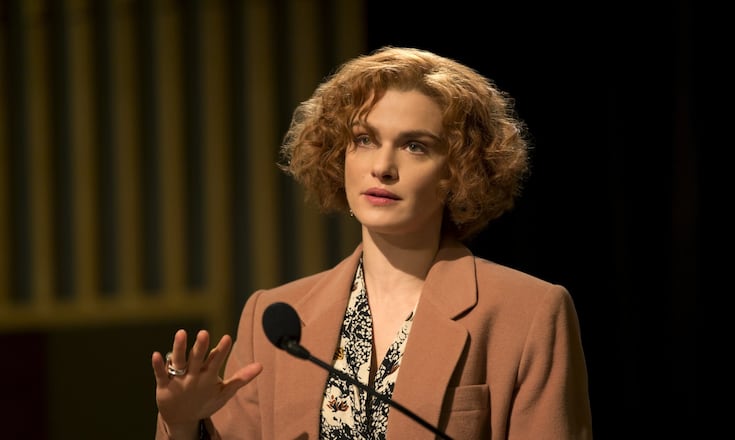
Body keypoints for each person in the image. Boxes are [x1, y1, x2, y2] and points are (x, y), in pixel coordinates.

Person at [152, 46, 593, 440]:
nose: (382, 166)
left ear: (459, 171)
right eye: (364, 140)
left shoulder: (529, 312)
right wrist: (185, 424)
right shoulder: (274, 318)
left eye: (415, 147)